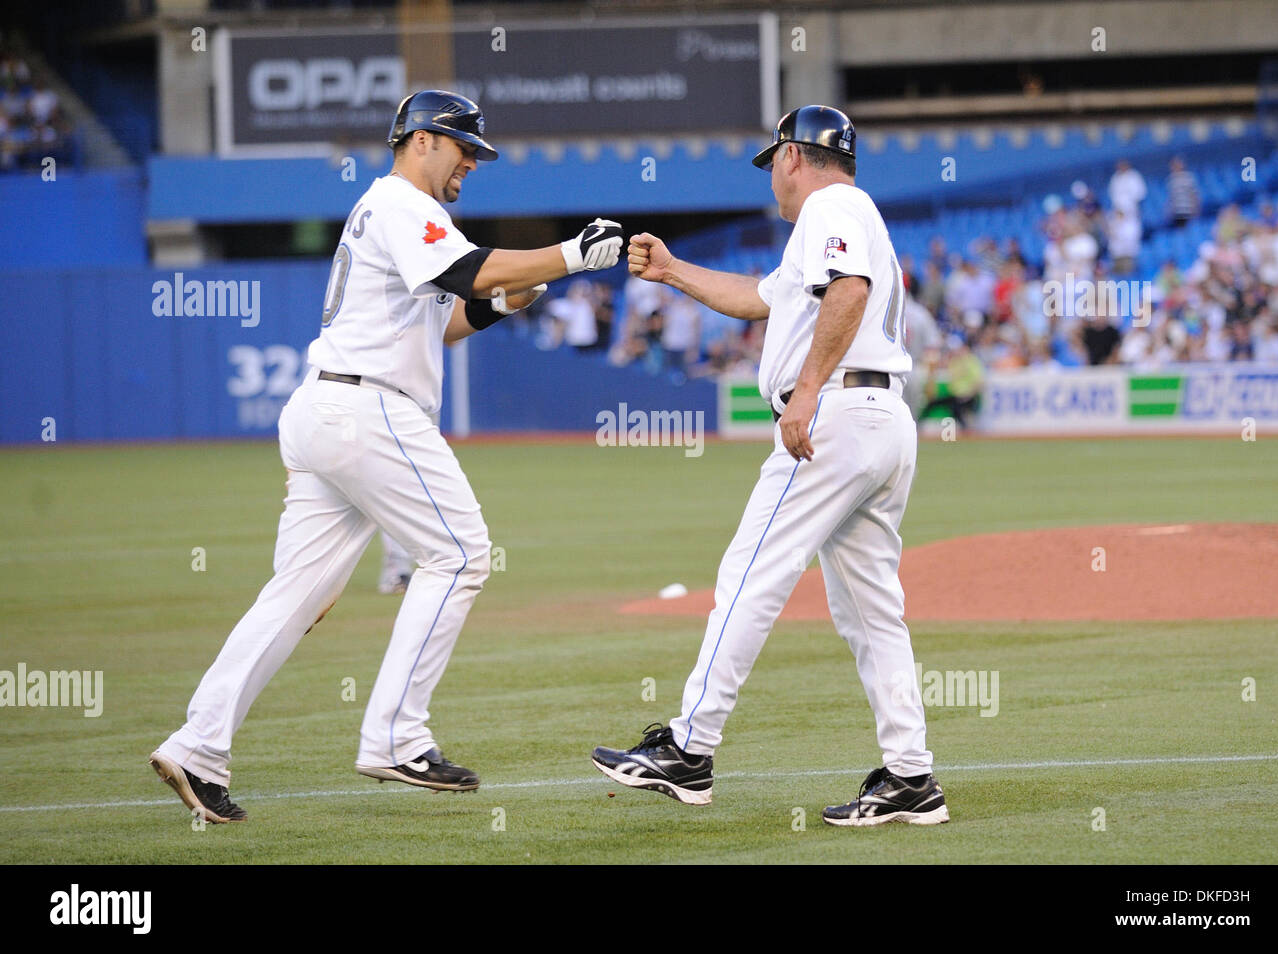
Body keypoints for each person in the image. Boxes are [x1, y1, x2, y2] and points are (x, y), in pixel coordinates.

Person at [149, 89, 626, 823]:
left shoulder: (398, 212)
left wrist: (504, 304)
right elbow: (467, 272)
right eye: (465, 147)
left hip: (326, 407)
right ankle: (398, 735)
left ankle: (197, 746)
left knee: (295, 595)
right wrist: (571, 255)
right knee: (462, 554)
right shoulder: (405, 203)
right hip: (368, 409)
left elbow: (446, 320)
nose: (472, 162)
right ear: (423, 140)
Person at [592, 106, 948, 827]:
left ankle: (690, 749)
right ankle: (911, 777)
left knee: (751, 574)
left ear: (792, 155)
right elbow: (761, 299)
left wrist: (808, 391)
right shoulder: (835, 218)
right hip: (879, 419)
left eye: (773, 164)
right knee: (872, 611)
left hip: (837, 417)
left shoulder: (832, 205)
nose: (773, 181)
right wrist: (671, 271)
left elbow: (850, 290)